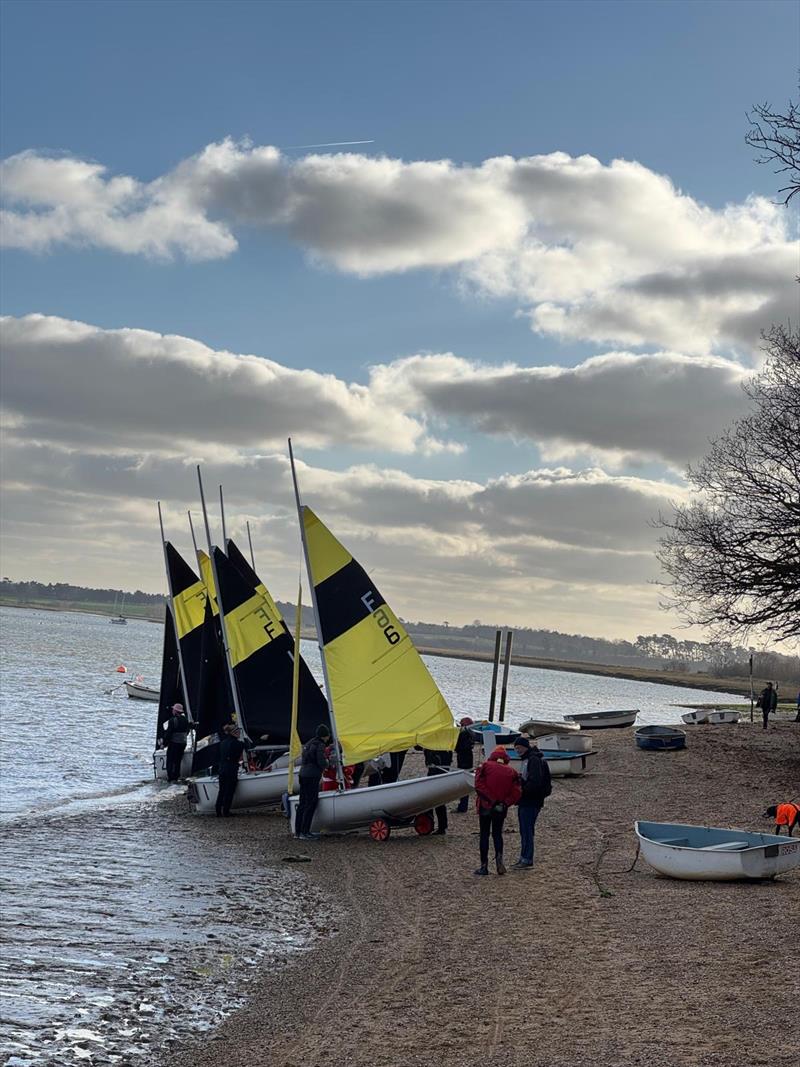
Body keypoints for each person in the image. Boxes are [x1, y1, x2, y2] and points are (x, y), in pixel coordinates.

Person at [473, 747, 521, 876]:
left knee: (484, 835)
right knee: (497, 834)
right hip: (500, 808)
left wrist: (491, 800)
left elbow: (478, 785)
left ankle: (484, 866)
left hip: (485, 806)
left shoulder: (485, 766)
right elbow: (517, 792)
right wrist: (504, 803)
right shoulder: (512, 772)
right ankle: (499, 861)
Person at [512, 736, 552, 869]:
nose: (517, 750)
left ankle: (527, 858)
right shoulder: (528, 759)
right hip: (528, 800)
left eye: (519, 748)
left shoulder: (533, 760)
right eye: (516, 748)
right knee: (525, 830)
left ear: (525, 747)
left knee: (527, 830)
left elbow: (535, 782)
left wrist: (521, 790)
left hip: (531, 800)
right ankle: (524, 857)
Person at [295, 724, 331, 839]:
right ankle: (305, 832)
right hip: (312, 776)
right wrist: (328, 764)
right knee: (311, 803)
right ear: (325, 736)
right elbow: (321, 762)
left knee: (302, 803)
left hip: (302, 774)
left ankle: (298, 832)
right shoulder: (320, 745)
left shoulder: (309, 743)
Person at [216, 723, 245, 817]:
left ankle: (218, 810)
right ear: (233, 733)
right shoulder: (238, 744)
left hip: (222, 768)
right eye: (237, 731)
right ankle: (226, 811)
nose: (239, 733)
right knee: (229, 790)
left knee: (222, 790)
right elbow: (248, 747)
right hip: (231, 768)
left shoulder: (223, 743)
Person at [423, 748, 453, 834]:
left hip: (436, 775)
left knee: (433, 802)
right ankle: (439, 826)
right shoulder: (445, 748)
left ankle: (435, 826)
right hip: (438, 774)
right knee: (438, 802)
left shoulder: (437, 749)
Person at [163, 702, 191, 782]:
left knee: (170, 761)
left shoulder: (172, 720)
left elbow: (169, 733)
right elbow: (187, 731)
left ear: (175, 711)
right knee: (178, 761)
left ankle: (171, 778)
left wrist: (164, 744)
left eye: (173, 710)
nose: (172, 711)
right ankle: (176, 776)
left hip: (174, 744)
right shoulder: (186, 720)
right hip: (183, 744)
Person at [454, 717, 475, 813]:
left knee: (464, 782)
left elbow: (458, 747)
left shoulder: (463, 735)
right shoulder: (471, 734)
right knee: (465, 782)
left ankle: (463, 806)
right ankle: (463, 805)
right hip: (468, 759)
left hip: (464, 760)